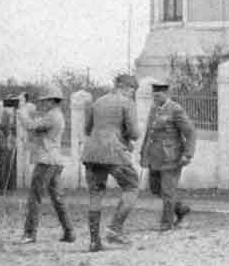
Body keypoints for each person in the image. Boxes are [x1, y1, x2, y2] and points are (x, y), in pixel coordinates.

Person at [82, 74, 141, 252]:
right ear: (124, 87)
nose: (133, 94)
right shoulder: (127, 103)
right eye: (132, 90)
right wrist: (124, 138)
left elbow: (87, 129)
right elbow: (134, 133)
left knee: (95, 194)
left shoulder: (97, 102)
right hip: (114, 152)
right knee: (132, 186)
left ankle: (94, 241)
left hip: (92, 153)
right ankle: (115, 229)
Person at [16, 85, 74, 244]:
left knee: (34, 198)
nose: (42, 103)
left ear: (51, 100)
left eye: (44, 101)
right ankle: (69, 232)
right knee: (57, 198)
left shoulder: (52, 116)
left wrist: (21, 110)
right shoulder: (55, 115)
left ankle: (29, 234)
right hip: (54, 161)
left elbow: (30, 126)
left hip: (46, 161)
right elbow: (36, 126)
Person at [141, 80, 197, 231]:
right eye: (154, 95)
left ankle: (166, 224)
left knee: (167, 191)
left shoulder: (176, 109)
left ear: (167, 94)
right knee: (154, 188)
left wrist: (188, 154)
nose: (155, 98)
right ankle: (180, 208)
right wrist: (143, 154)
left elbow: (190, 132)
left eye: (158, 95)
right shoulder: (154, 109)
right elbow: (149, 133)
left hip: (171, 157)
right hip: (155, 157)